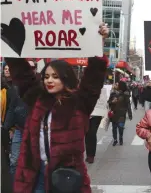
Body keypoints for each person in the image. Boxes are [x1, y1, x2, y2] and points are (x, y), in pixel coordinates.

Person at [6, 23, 109, 193]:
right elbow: (22, 74)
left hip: (66, 179)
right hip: (35, 176)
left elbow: (93, 77)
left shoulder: (79, 102)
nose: (49, 80)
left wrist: (98, 42)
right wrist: (8, 44)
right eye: (46, 76)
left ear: (66, 78)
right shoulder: (37, 98)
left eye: (55, 76)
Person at [108, 81, 132, 146]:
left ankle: (120, 138)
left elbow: (128, 105)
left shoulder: (126, 95)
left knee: (121, 128)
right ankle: (115, 139)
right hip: (114, 113)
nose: (116, 85)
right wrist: (112, 101)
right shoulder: (113, 94)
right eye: (116, 84)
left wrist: (130, 114)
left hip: (122, 114)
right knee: (114, 128)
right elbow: (108, 102)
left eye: (117, 84)